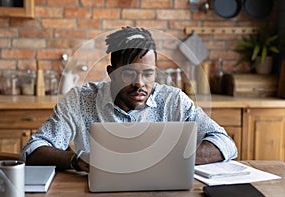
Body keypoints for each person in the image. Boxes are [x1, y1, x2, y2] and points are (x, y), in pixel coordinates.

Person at [20, 26, 237, 172]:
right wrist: (76, 160)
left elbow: (225, 143)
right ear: (111, 72)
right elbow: (32, 150)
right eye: (129, 73)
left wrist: (173, 161)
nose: (140, 83)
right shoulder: (79, 100)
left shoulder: (173, 101)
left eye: (148, 74)